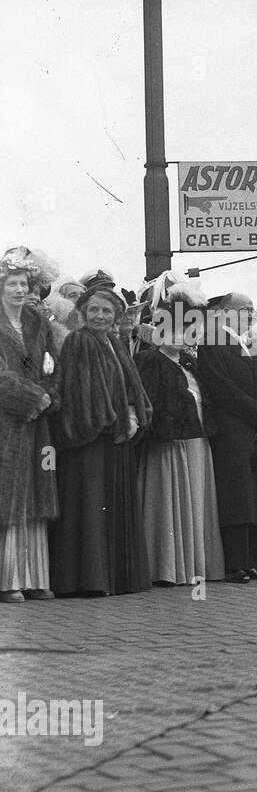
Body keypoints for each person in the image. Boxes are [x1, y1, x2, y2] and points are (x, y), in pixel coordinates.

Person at [48, 272, 153, 596]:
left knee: (109, 506)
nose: (100, 316)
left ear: (116, 317)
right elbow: (81, 393)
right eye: (94, 310)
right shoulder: (79, 341)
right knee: (91, 507)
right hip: (90, 438)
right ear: (83, 312)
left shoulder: (116, 343)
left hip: (115, 436)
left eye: (107, 311)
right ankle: (91, 580)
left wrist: (133, 414)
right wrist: (116, 421)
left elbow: (129, 387)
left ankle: (114, 578)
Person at [134, 315, 225, 586]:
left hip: (196, 438)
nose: (177, 336)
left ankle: (195, 564)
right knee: (168, 497)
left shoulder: (189, 363)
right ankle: (167, 566)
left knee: (196, 497)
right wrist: (166, 427)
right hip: (170, 441)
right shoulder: (150, 360)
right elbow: (148, 399)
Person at [193, 293, 257, 583]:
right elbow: (223, 388)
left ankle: (252, 561)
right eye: (243, 309)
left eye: (251, 310)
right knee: (237, 496)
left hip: (254, 428)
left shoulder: (248, 344)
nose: (249, 314)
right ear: (225, 312)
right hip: (232, 428)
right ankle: (235, 563)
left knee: (255, 495)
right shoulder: (213, 341)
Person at [0, 247, 60, 603]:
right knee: (7, 497)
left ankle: (34, 576)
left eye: (24, 283)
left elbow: (53, 367)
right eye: (12, 284)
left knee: (36, 496)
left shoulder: (39, 325)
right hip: (6, 422)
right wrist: (30, 398)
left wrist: (47, 396)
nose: (19, 290)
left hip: (39, 424)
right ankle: (8, 581)